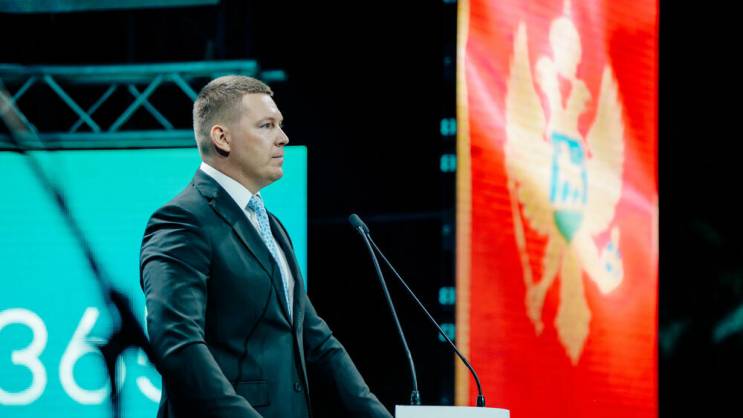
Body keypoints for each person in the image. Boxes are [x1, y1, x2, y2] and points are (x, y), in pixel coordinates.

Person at [140, 75, 391, 418]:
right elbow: (178, 345)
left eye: (280, 125)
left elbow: (317, 342)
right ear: (222, 137)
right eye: (266, 125)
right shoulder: (182, 220)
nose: (283, 137)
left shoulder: (271, 226)